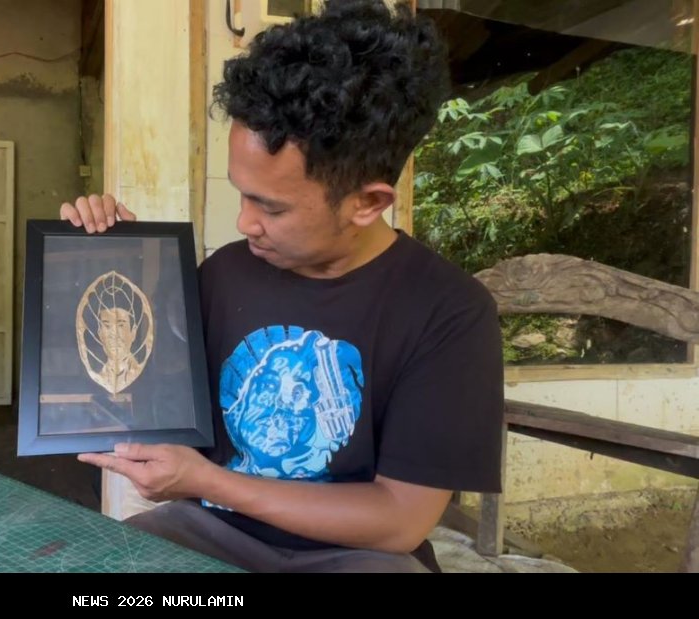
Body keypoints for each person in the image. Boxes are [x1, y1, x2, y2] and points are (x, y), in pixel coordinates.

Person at [61, 0, 503, 573]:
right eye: (241, 194)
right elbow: (146, 401)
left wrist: (207, 481)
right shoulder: (224, 274)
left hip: (357, 557)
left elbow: (400, 519)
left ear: (368, 202)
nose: (244, 223)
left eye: (270, 207)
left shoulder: (449, 313)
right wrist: (109, 259)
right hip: (211, 533)